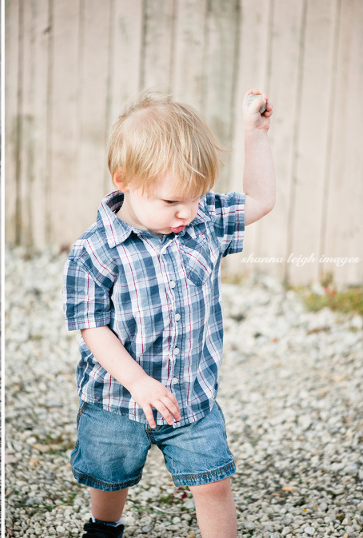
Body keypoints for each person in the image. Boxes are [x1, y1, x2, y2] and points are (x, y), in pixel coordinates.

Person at [63, 90, 275, 537]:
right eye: (171, 201)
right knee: (108, 476)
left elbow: (260, 200)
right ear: (124, 179)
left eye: (195, 198)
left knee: (214, 482)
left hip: (189, 398)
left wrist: (255, 134)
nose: (185, 212)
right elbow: (92, 327)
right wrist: (137, 382)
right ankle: (104, 526)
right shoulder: (95, 251)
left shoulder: (205, 221)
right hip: (115, 400)